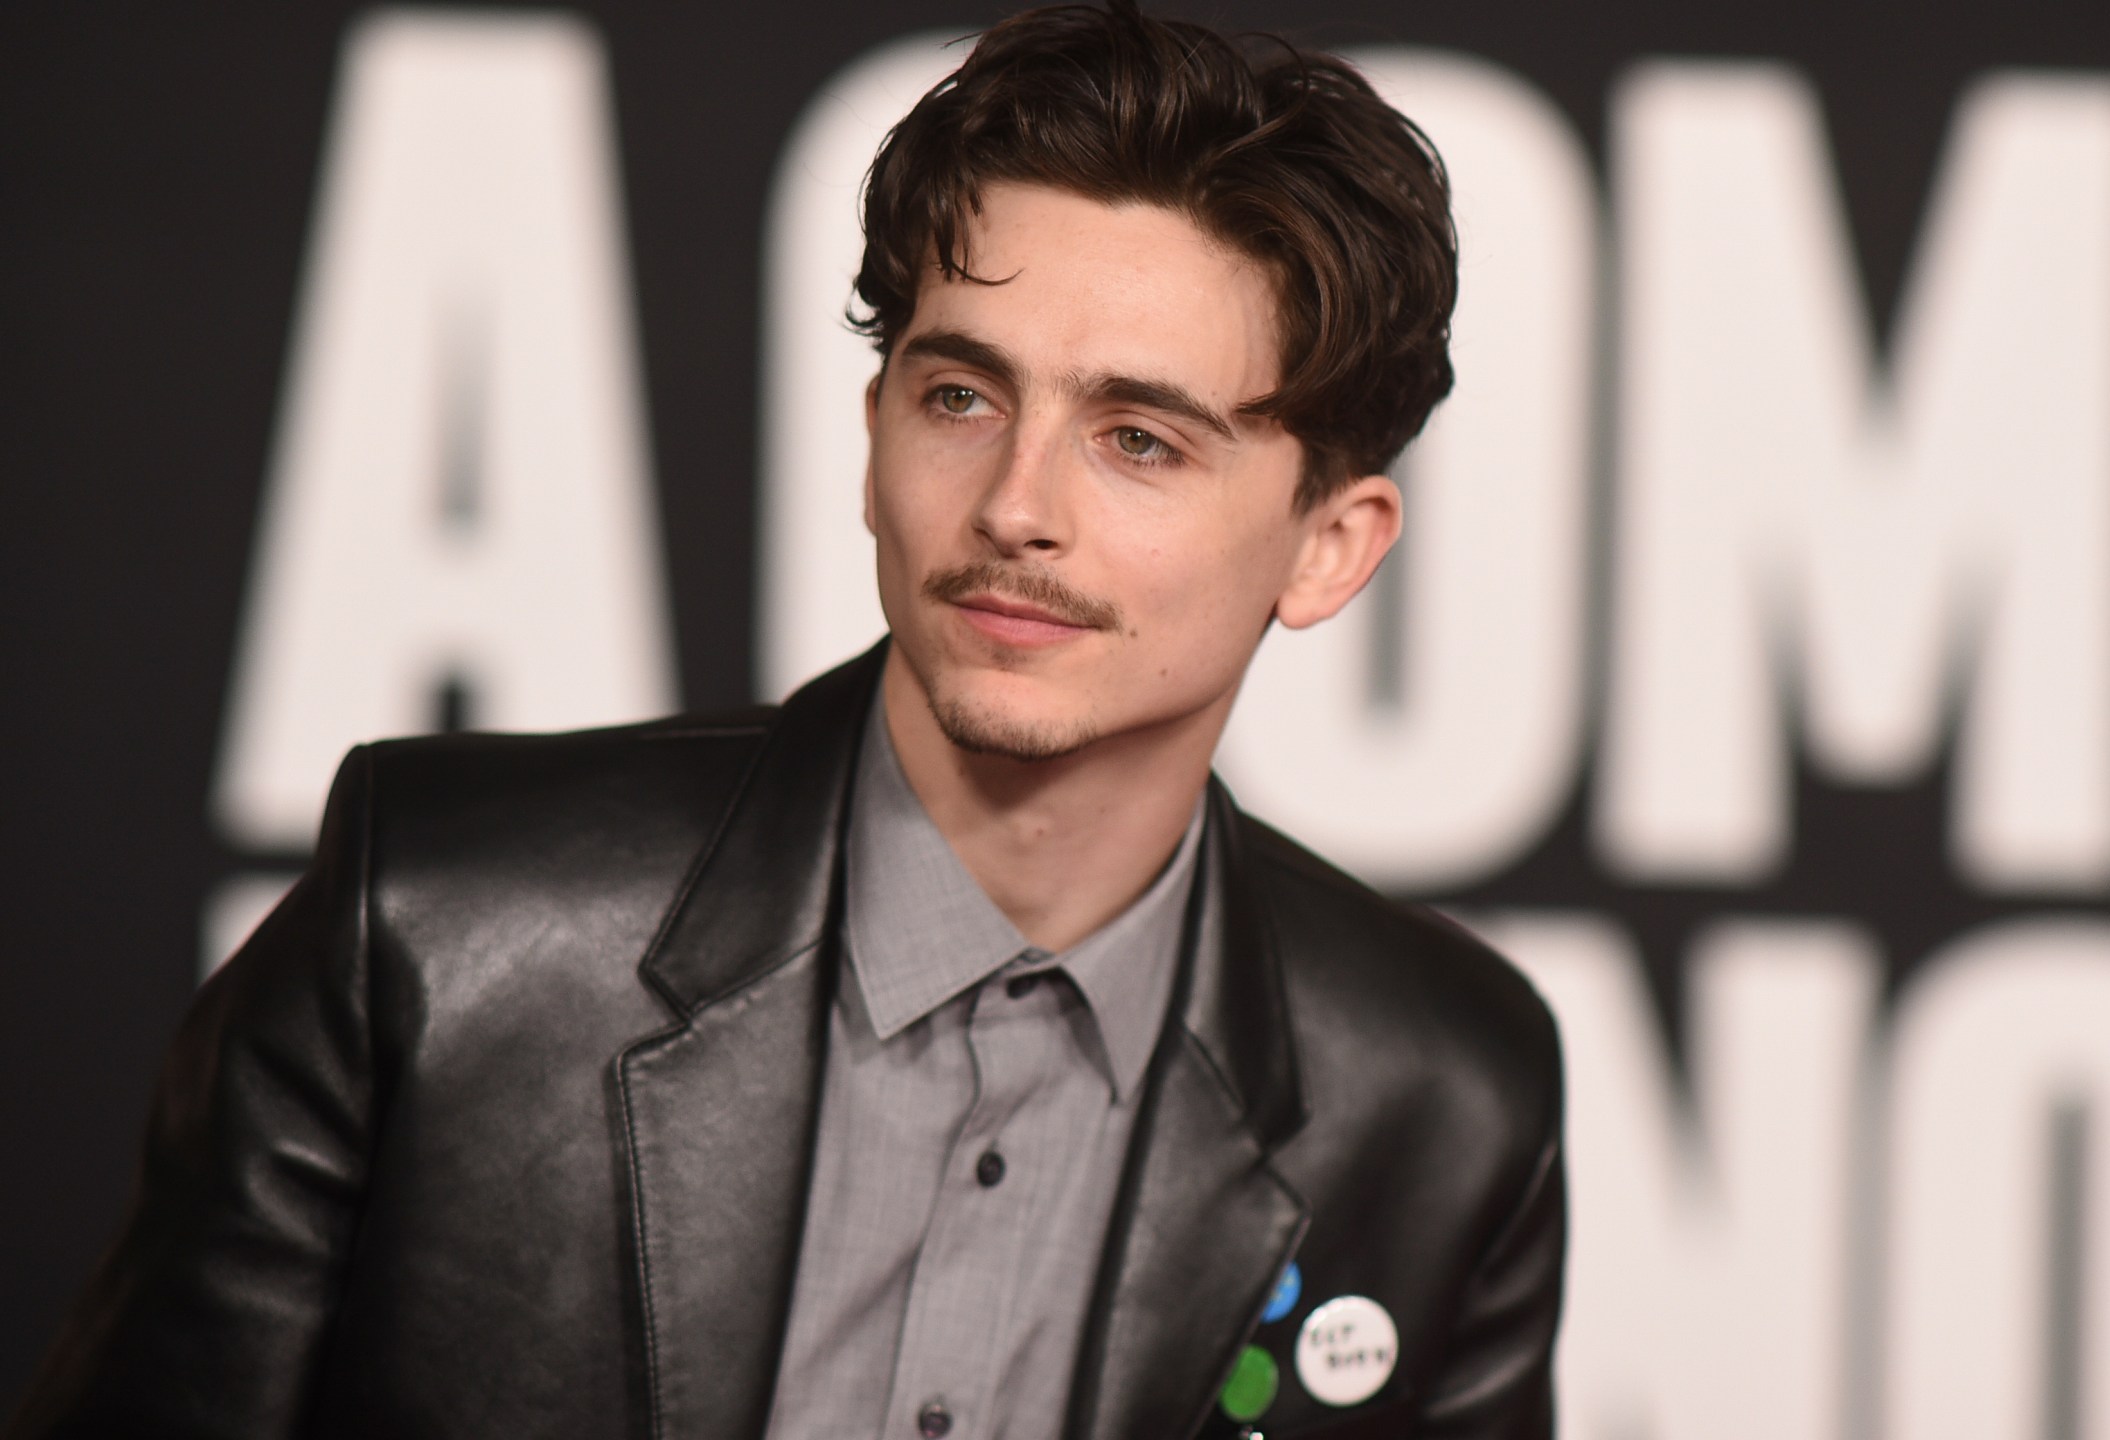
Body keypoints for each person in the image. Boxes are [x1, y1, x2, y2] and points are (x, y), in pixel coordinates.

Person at [6, 4, 1564, 1438]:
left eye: (1139, 439)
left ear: (1329, 546)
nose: (1017, 506)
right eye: (961, 396)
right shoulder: (434, 927)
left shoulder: (1441, 1092)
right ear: (874, 431)